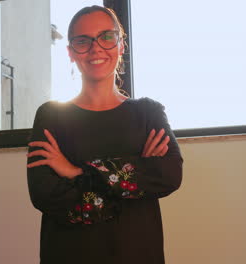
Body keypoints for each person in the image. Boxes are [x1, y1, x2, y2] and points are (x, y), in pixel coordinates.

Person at [26, 5, 183, 264]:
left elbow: (169, 174)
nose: (95, 48)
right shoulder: (50, 115)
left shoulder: (148, 112)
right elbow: (45, 194)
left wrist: (77, 174)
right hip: (68, 253)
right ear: (70, 53)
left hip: (138, 252)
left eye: (106, 37)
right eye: (82, 41)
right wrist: (132, 181)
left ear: (121, 45)